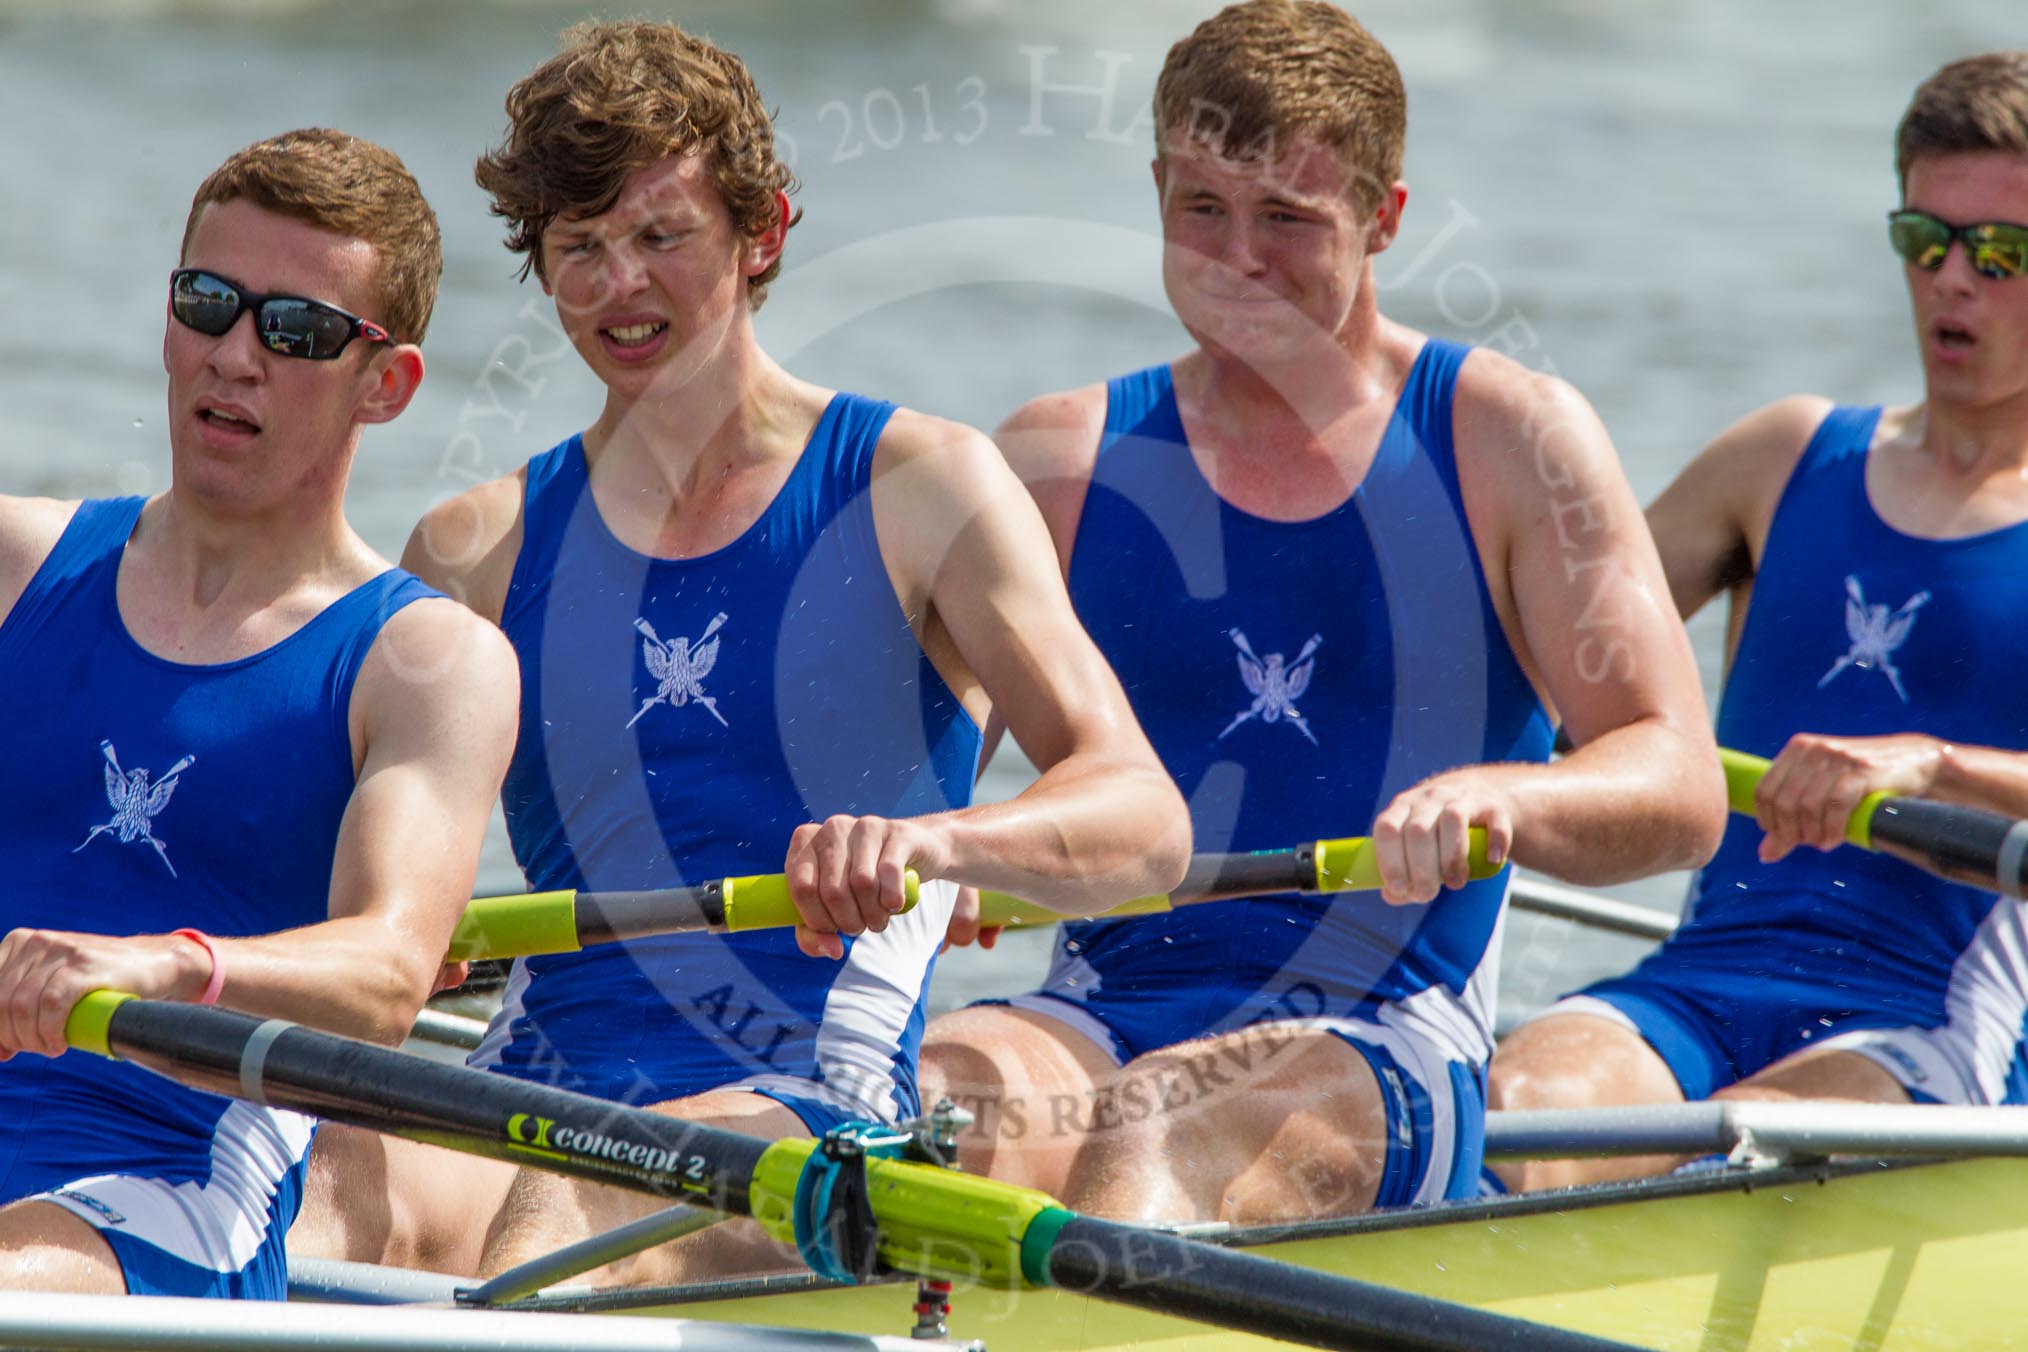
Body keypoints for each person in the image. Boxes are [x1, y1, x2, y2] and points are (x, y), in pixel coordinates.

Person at [292, 20, 1189, 1284]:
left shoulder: (917, 485)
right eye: (581, 249)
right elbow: (337, 886)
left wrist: (937, 847)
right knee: (310, 1186)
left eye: (662, 237)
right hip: (528, 1085)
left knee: (565, 1217)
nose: (619, 289)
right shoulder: (471, 548)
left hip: (810, 1104)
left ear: (759, 234)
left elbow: (1144, 817)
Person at [914, 0, 1726, 1226]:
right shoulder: (1058, 458)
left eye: (1287, 219)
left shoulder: (1509, 439)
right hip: (1091, 1010)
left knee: (1155, 1130)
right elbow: (908, 784)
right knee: (916, 1121)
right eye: (1202, 209)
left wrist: (1509, 798)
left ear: (1385, 218)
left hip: (1383, 1033)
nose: (1237, 259)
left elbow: (1679, 784)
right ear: (1154, 190)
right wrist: (949, 851)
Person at [1487, 50, 2028, 1191]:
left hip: (1925, 1032)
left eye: (2002, 254)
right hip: (1696, 983)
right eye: (1923, 243)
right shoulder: (1781, 460)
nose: (1953, 283)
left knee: (1725, 1158)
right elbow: (1531, 659)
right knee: (1510, 1111)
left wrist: (1931, 762)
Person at [0, 128, 517, 1298]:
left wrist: (159, 964)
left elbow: (390, 971)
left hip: (163, 1186)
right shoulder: (15, 563)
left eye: (294, 331)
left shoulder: (426, 660)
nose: (234, 355)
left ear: (384, 384)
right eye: (209, 303)